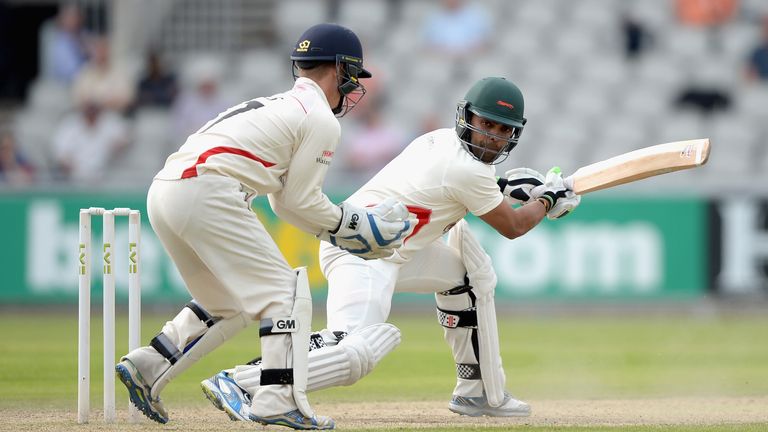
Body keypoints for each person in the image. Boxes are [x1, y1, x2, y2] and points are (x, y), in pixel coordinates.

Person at [200, 77, 581, 420]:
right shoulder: (467, 169)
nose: (492, 137)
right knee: (352, 346)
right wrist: (546, 199)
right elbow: (513, 226)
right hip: (362, 253)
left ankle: (476, 390)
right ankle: (243, 380)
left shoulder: (441, 142)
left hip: (398, 250)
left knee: (466, 278)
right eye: (486, 125)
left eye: (503, 130)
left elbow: (461, 190)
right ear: (467, 117)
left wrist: (507, 189)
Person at [113, 23, 414, 431]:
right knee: (287, 294)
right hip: (208, 191)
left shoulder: (277, 104)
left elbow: (285, 204)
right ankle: (277, 399)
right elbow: (300, 203)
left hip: (166, 191)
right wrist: (361, 227)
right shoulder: (320, 118)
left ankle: (148, 364)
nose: (352, 87)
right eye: (351, 76)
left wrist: (347, 229)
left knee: (227, 304)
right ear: (340, 69)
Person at [51, 100, 129, 183]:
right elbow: (62, 156)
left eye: (94, 106)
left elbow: (125, 139)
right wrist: (78, 172)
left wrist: (118, 147)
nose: (91, 110)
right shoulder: (70, 125)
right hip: (75, 180)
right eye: (89, 107)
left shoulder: (111, 122)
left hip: (107, 179)